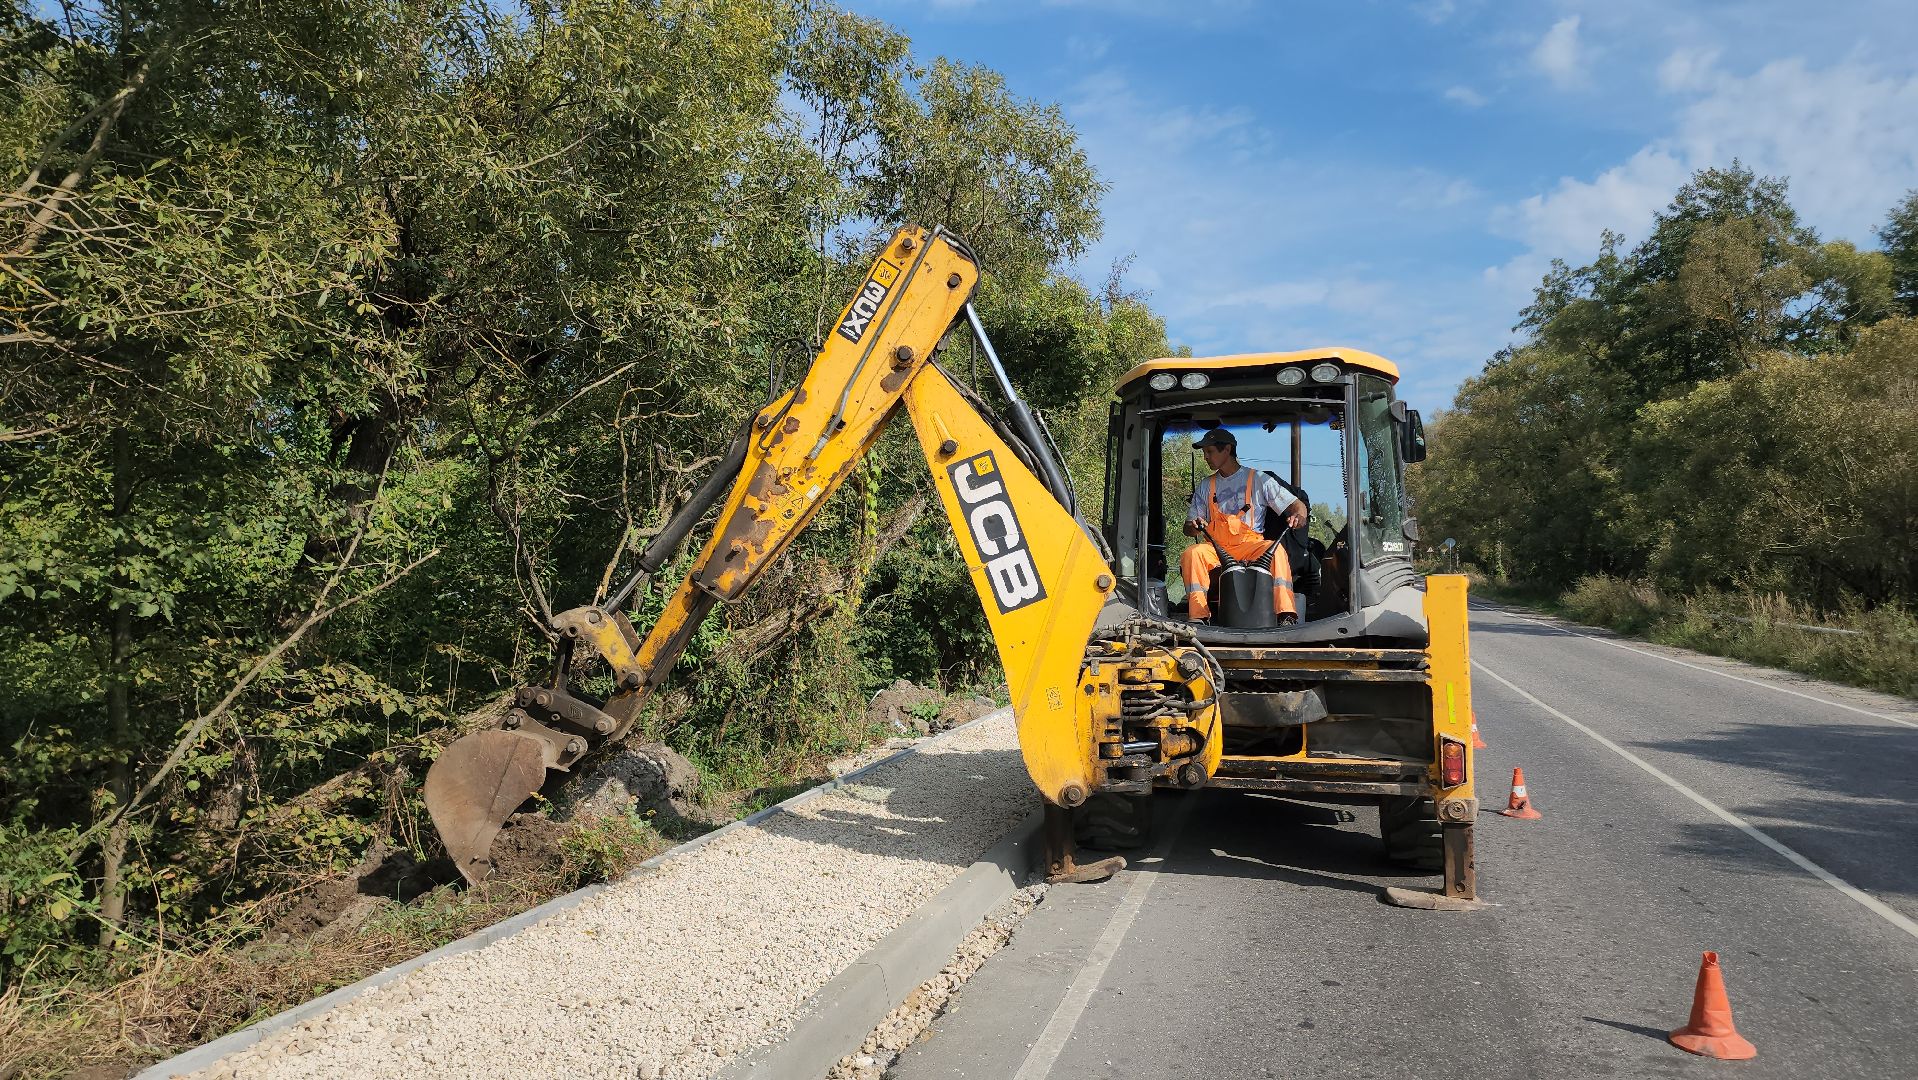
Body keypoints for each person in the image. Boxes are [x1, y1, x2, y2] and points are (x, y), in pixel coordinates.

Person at [1180, 427, 1306, 624]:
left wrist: (1300, 514)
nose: (1205, 457)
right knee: (1192, 553)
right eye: (1204, 453)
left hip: (1251, 546)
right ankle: (1198, 616)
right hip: (1216, 548)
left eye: (1210, 451)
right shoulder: (1206, 485)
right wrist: (1194, 525)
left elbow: (1296, 505)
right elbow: (1188, 528)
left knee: (1276, 551)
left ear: (1227, 450)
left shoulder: (1258, 479)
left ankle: (1286, 614)